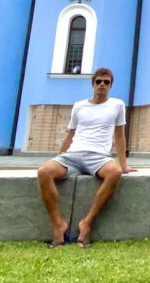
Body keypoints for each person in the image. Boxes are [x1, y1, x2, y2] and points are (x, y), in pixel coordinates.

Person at [36, 67, 131, 248]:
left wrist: (124, 164)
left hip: (99, 157)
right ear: (92, 84)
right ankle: (58, 224)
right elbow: (71, 134)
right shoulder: (79, 106)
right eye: (98, 82)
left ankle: (86, 223)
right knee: (44, 172)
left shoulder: (117, 105)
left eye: (106, 82)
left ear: (111, 85)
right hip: (73, 155)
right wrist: (59, 157)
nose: (102, 85)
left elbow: (119, 135)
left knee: (115, 172)